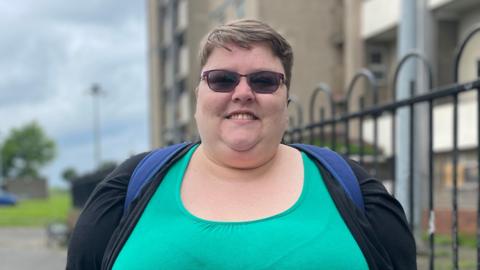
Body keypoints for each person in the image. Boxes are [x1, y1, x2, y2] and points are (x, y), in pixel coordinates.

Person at [67, 19, 416, 270]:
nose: (243, 93)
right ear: (198, 97)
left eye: (264, 81)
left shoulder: (352, 186)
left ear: (286, 102)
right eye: (222, 79)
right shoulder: (131, 185)